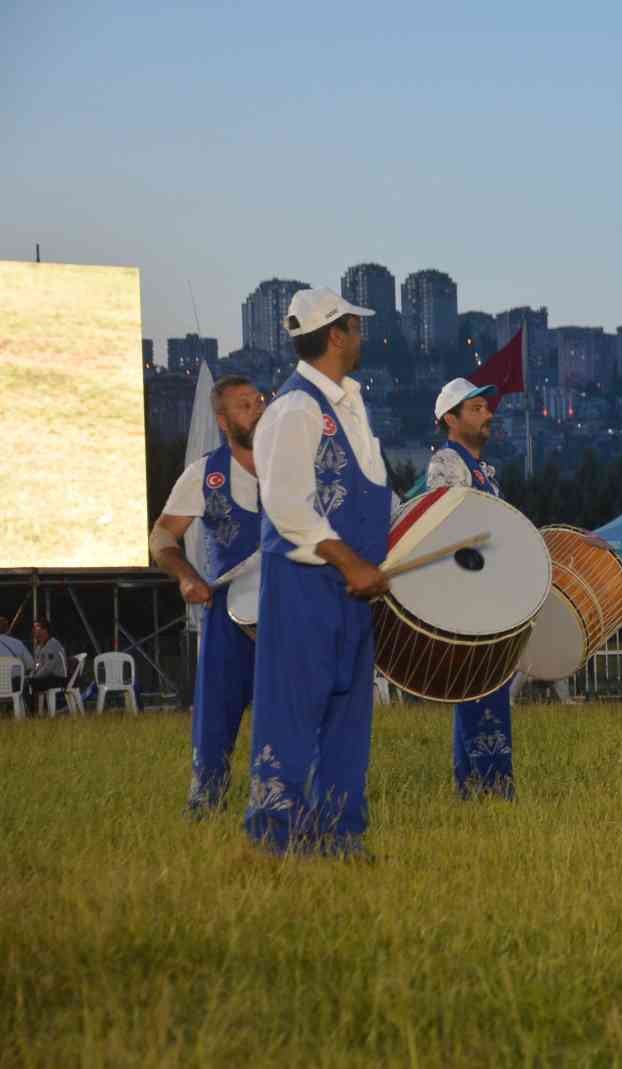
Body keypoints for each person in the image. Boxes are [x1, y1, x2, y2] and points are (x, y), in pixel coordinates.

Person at [243, 287, 389, 857]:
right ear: (336, 335)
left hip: (353, 586)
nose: (362, 335)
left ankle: (338, 834)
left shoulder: (352, 405)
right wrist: (351, 560)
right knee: (295, 706)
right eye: (356, 325)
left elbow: (370, 494)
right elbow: (286, 504)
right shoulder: (293, 410)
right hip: (307, 583)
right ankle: (275, 838)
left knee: (349, 712)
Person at [149, 375, 265, 814]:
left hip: (290, 613)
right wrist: (184, 575)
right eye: (242, 405)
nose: (256, 409)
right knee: (215, 719)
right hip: (226, 617)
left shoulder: (294, 468)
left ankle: (288, 805)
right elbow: (162, 534)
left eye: (258, 401)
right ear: (221, 420)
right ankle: (206, 806)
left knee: (297, 713)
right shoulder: (204, 474)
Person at [423, 377, 517, 799]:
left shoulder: (484, 473)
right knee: (475, 690)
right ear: (450, 418)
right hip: (467, 596)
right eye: (476, 408)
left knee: (489, 691)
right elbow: (449, 528)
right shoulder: (447, 463)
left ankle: (490, 784)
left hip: (488, 597)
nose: (488, 414)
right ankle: (480, 787)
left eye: (486, 407)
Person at [24, 619, 68, 710]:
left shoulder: (52, 645)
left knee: (31, 683)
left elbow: (48, 668)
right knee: (25, 682)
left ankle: (34, 712)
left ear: (44, 630)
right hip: (48, 677)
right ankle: (32, 710)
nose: (33, 630)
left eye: (36, 628)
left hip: (58, 678)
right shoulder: (39, 646)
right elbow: (37, 665)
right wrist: (31, 675)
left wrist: (34, 677)